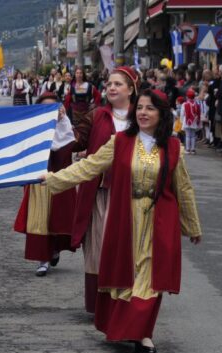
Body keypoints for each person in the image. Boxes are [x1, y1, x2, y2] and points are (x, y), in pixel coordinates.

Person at [43, 89, 202, 353]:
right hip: (125, 218)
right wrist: (52, 178)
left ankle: (143, 334)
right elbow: (89, 166)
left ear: (161, 113)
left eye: (150, 108)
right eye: (139, 107)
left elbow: (183, 188)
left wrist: (192, 225)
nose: (142, 112)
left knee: (150, 277)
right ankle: (129, 329)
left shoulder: (173, 148)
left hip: (158, 221)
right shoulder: (120, 142)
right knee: (128, 276)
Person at [69, 66, 139, 314]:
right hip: (101, 192)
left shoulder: (142, 117)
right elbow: (76, 141)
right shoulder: (97, 115)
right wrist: (59, 124)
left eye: (118, 84)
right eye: (109, 83)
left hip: (134, 194)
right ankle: (101, 303)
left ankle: (128, 301)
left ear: (131, 89)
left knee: (131, 248)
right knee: (99, 246)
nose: (111, 87)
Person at [14, 92, 77, 276]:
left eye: (53, 108)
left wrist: (63, 122)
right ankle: (43, 259)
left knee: (57, 219)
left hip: (59, 180)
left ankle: (55, 250)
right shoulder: (32, 130)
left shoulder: (65, 129)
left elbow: (69, 150)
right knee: (40, 220)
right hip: (39, 183)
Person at [179, 89, 200, 155]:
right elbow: (199, 113)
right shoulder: (197, 104)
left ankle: (188, 149)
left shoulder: (184, 104)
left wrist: (181, 121)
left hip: (186, 120)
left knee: (187, 135)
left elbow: (182, 113)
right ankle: (193, 149)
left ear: (187, 97)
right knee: (193, 135)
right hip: (194, 121)